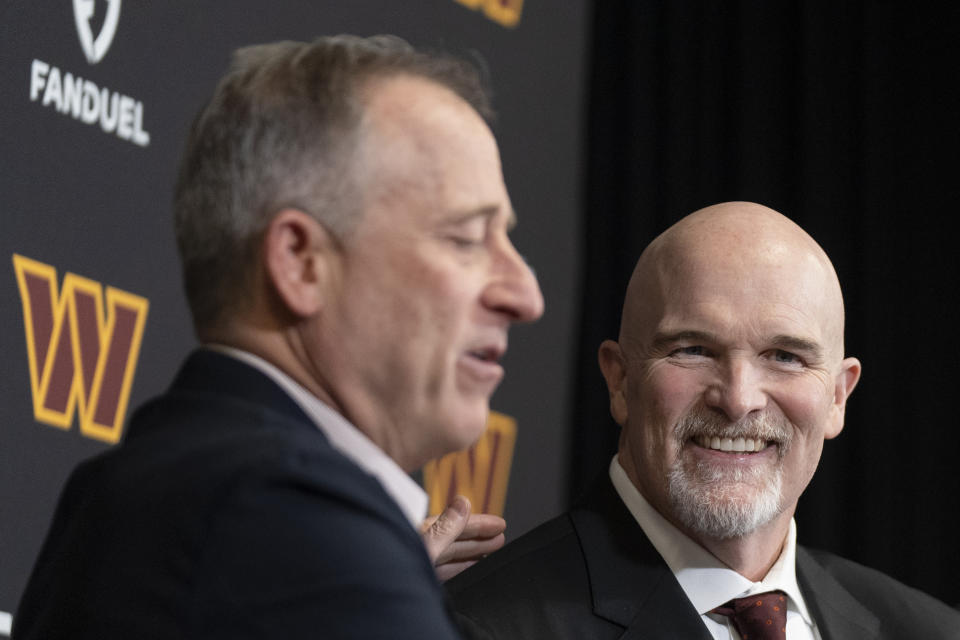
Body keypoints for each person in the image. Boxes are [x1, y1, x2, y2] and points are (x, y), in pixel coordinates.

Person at [14, 35, 542, 639]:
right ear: (300, 261)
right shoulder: (285, 518)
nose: (525, 294)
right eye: (467, 239)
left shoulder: (162, 489)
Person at [448, 202, 960, 639]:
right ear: (620, 380)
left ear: (838, 397)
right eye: (693, 349)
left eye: (784, 356)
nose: (738, 400)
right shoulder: (472, 626)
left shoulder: (930, 630)